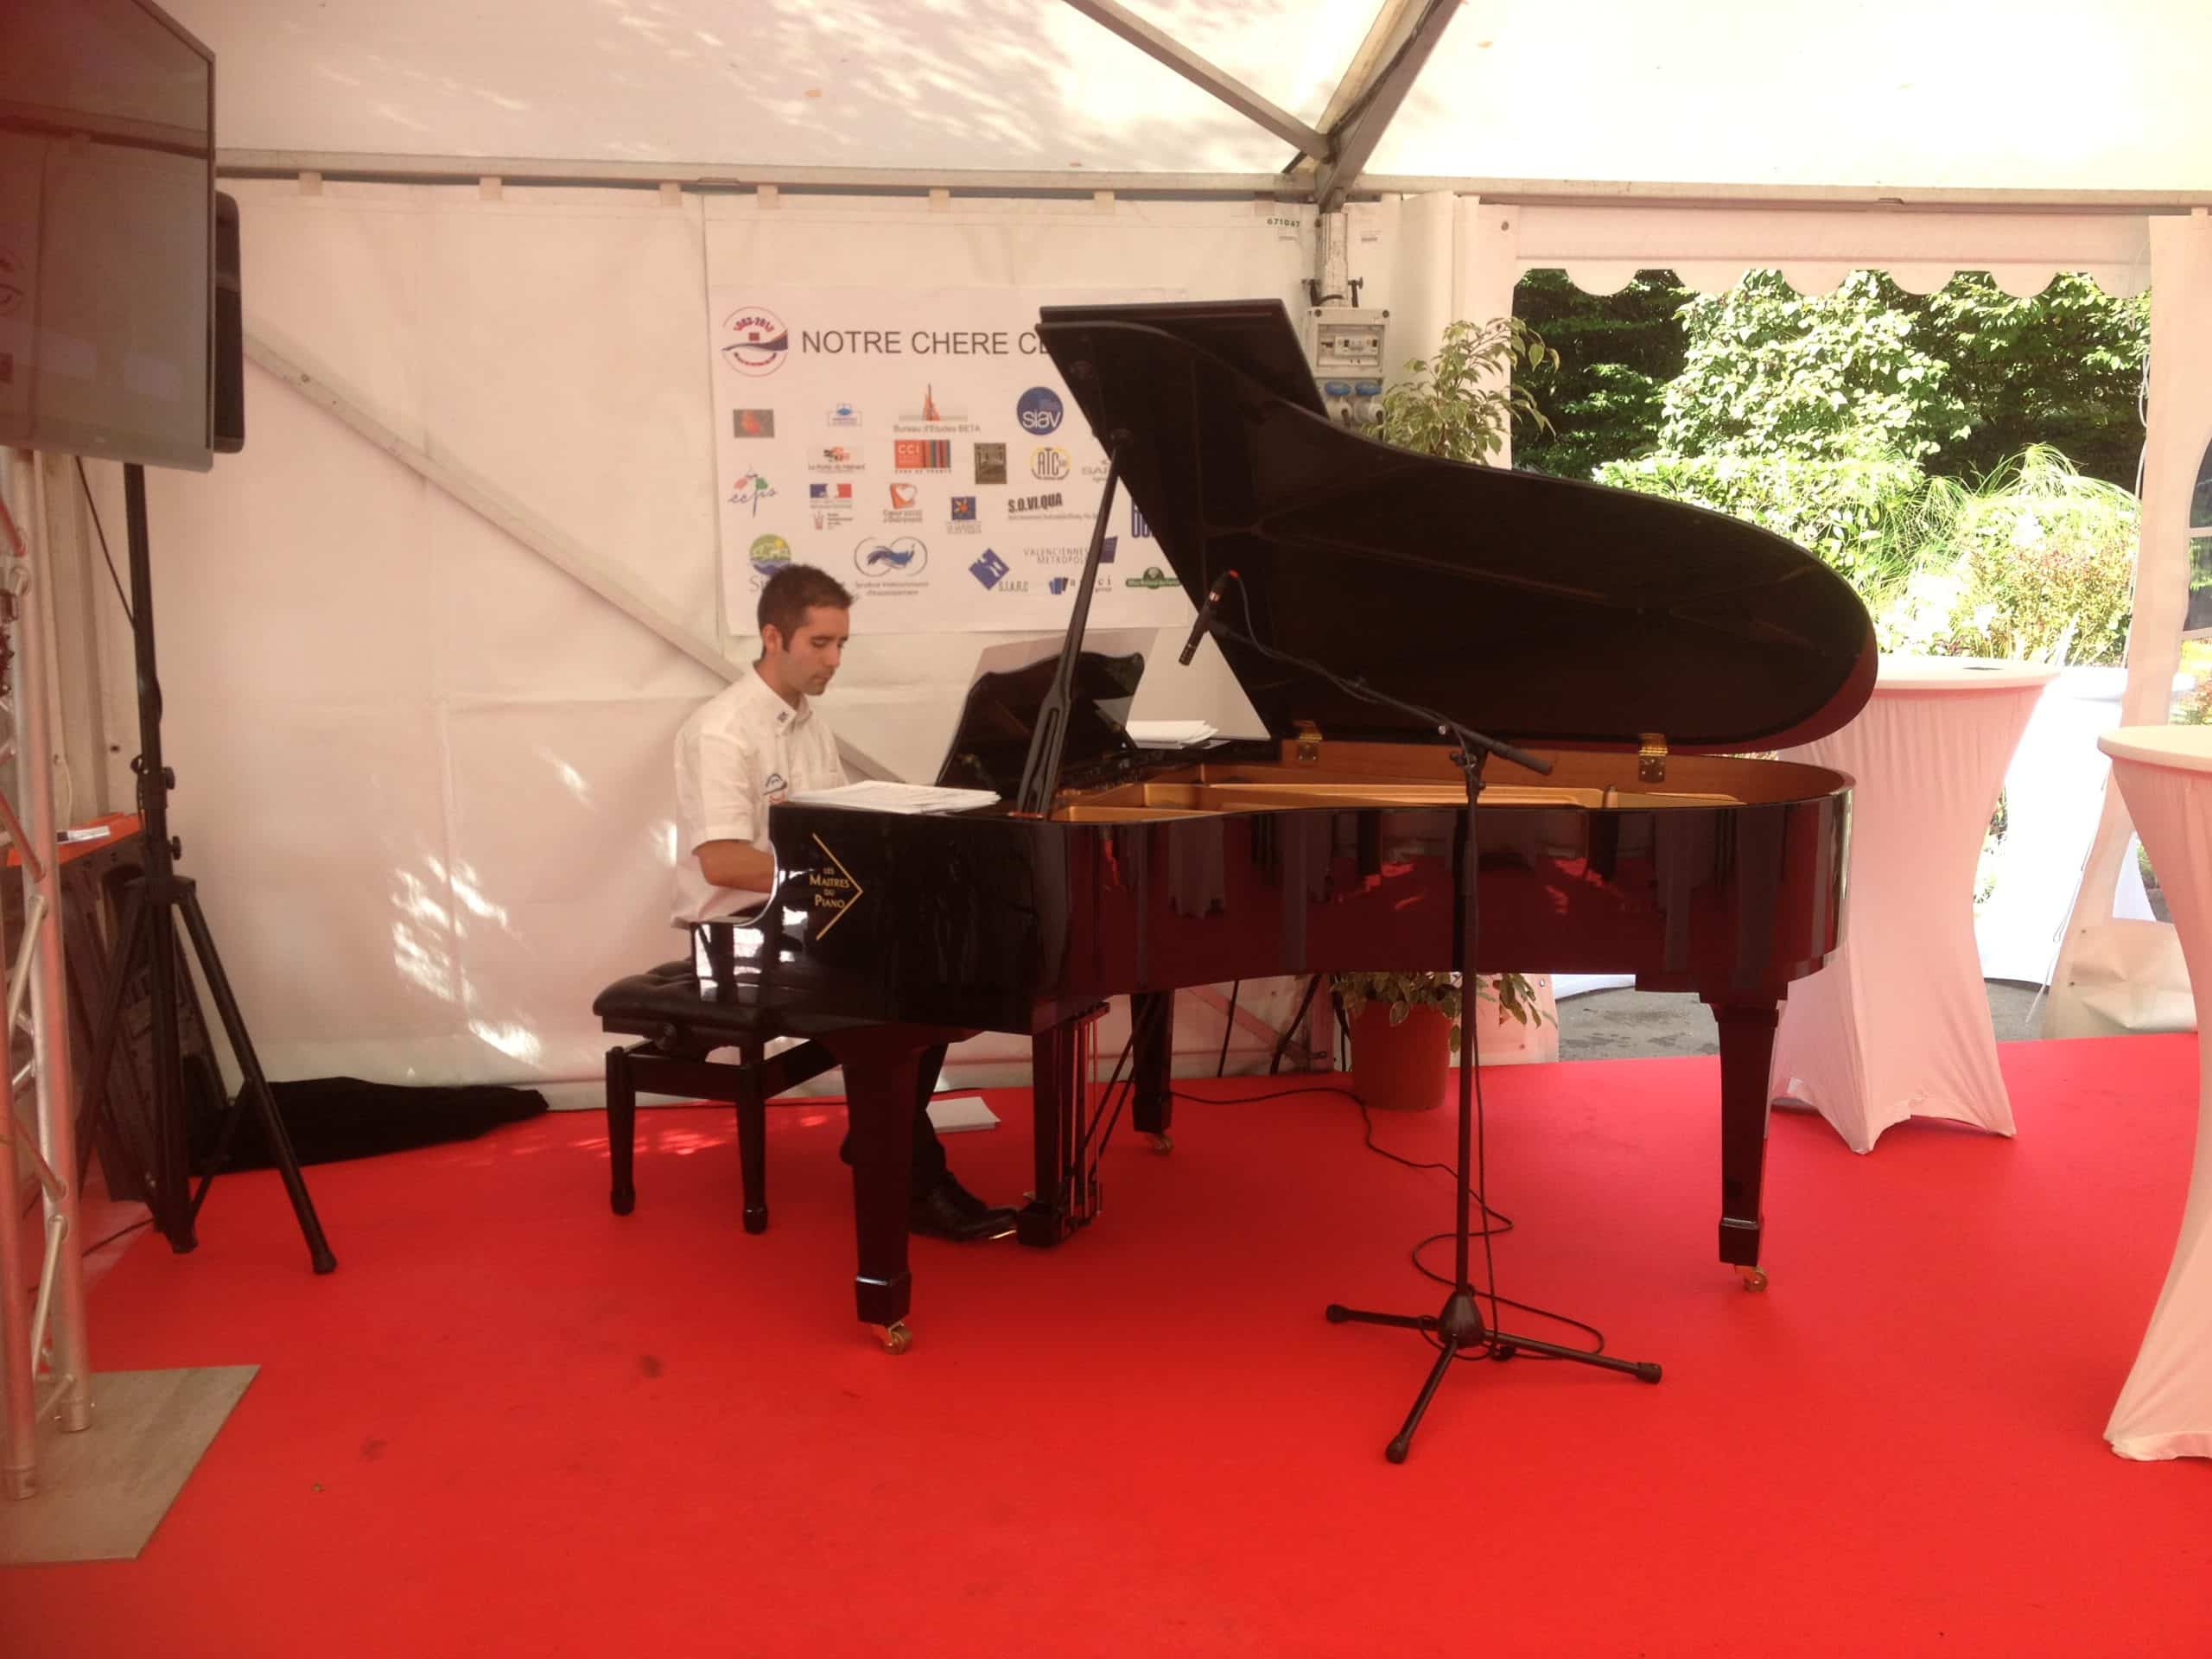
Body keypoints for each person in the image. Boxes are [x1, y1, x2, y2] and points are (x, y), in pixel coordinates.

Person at [672, 563, 1015, 1243]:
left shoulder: (807, 723)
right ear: (773, 637)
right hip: (734, 935)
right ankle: (911, 1176)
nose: (834, 660)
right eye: (820, 644)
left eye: (842, 645)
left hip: (797, 919)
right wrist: (835, 883)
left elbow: (834, 835)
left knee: (945, 957)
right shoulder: (721, 732)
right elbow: (723, 862)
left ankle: (883, 1137)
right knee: (913, 979)